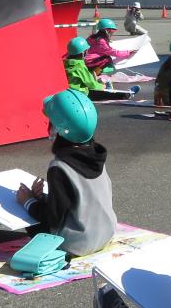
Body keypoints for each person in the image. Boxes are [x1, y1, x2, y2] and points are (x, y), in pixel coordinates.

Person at [13, 89, 117, 257]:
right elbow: (82, 200)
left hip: (76, 244)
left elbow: (53, 218)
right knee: (35, 206)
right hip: (106, 234)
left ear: (56, 130)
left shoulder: (60, 167)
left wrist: (28, 201)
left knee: (26, 212)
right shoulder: (96, 156)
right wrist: (44, 198)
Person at [64, 36, 130, 102]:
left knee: (97, 83)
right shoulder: (79, 66)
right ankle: (126, 95)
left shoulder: (65, 64)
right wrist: (101, 87)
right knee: (103, 94)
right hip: (81, 94)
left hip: (69, 93)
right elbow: (91, 84)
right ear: (83, 53)